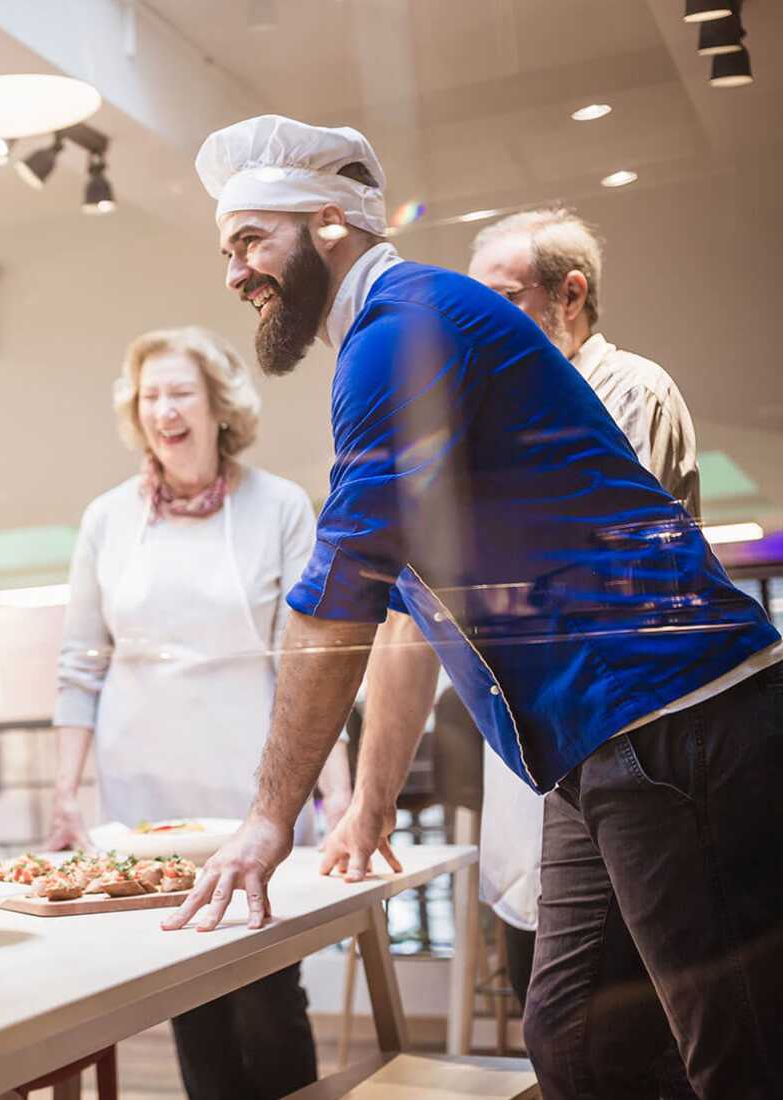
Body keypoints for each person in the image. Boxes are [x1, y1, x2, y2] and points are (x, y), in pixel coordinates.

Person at [164, 114, 782, 1100]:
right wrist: (364, 801)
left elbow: (342, 592)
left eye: (249, 241)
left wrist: (268, 817)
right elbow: (406, 612)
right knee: (574, 1037)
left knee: (735, 1052)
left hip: (673, 717)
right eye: (226, 249)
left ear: (328, 221)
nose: (234, 273)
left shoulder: (407, 327)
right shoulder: (393, 335)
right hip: (595, 741)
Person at [50, 326, 342, 1100]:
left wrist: (335, 787)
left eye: (181, 392)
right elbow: (81, 662)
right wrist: (63, 791)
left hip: (253, 780)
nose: (164, 411)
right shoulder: (106, 519)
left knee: (268, 989)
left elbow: (308, 659)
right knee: (186, 988)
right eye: (150, 396)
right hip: (142, 788)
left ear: (219, 405)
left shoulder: (278, 505)